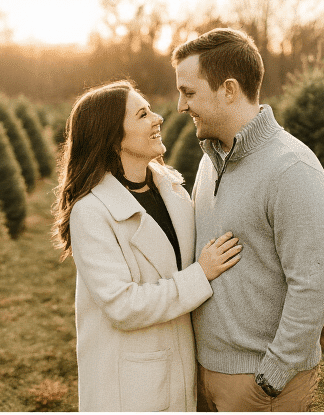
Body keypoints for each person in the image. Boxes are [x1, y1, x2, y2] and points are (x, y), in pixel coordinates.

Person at [52, 79, 243, 413]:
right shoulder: (92, 212)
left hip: (182, 367)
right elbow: (123, 306)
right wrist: (201, 274)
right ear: (113, 139)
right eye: (142, 114)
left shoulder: (172, 189)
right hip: (129, 384)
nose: (158, 118)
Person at [172, 29, 324, 413]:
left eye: (189, 92)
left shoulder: (291, 170)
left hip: (262, 387)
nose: (181, 105)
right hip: (206, 374)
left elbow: (314, 286)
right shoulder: (208, 159)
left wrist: (272, 377)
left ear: (228, 89)